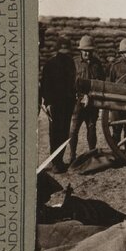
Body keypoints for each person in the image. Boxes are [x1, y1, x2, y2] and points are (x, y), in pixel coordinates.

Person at [40, 38, 76, 172]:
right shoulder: (50, 64)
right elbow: (45, 86)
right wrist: (47, 103)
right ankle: (54, 162)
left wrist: (74, 98)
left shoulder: (71, 63)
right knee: (55, 133)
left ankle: (59, 160)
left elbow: (73, 83)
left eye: (66, 53)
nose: (64, 55)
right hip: (55, 104)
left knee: (64, 133)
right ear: (57, 51)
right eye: (62, 53)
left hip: (67, 104)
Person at [69, 35, 106, 163]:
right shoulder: (74, 63)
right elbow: (70, 83)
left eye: (89, 51)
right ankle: (72, 155)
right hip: (77, 103)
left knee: (92, 127)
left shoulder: (97, 64)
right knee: (74, 130)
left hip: (92, 102)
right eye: (84, 50)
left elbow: (101, 82)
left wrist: (91, 97)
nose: (87, 53)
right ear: (80, 50)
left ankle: (91, 154)